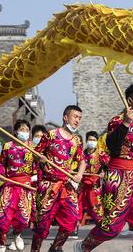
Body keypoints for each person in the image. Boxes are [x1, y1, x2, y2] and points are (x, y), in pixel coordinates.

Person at [79, 84, 133, 252]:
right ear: (130, 101)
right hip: (119, 177)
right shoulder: (117, 121)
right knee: (112, 226)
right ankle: (84, 247)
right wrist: (126, 123)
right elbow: (113, 147)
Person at [31, 106, 87, 252]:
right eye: (75, 117)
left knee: (72, 220)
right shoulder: (50, 135)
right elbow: (35, 154)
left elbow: (82, 161)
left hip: (66, 186)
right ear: (65, 117)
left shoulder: (76, 141)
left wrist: (79, 174)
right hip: (48, 185)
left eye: (79, 118)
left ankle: (56, 248)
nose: (77, 120)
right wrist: (41, 158)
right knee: (42, 225)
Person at [0, 120, 37, 252]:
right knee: (3, 216)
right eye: (21, 129)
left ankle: (17, 235)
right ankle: (1, 245)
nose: (24, 132)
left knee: (23, 218)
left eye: (26, 129)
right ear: (15, 131)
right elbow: (2, 163)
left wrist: (34, 176)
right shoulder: (7, 146)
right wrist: (1, 174)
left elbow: (37, 166)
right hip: (9, 184)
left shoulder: (32, 147)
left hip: (25, 186)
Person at [77, 131, 109, 228]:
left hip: (94, 187)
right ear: (86, 141)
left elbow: (110, 166)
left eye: (94, 140)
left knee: (97, 210)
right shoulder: (81, 154)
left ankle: (102, 229)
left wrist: (104, 173)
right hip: (82, 186)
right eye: (90, 140)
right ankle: (74, 228)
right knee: (76, 208)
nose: (92, 142)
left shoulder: (101, 154)